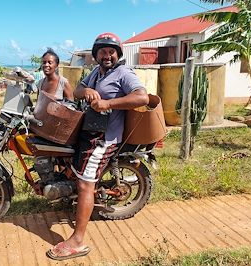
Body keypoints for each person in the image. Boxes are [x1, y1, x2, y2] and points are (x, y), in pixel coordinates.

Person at [47, 32, 149, 260]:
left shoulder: (124, 73)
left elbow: (142, 98)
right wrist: (88, 91)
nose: (107, 55)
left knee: (85, 185)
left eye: (111, 51)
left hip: (105, 139)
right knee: (72, 170)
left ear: (118, 54)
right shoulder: (96, 72)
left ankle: (77, 240)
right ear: (96, 55)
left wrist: (108, 103)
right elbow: (77, 91)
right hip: (88, 133)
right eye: (102, 51)